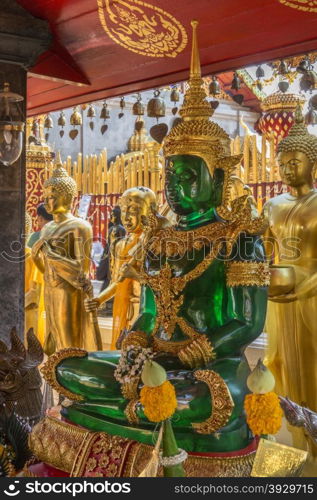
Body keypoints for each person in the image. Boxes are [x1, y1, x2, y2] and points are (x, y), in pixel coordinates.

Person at [42, 22, 268, 466]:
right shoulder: (156, 239)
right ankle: (129, 408)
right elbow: (148, 308)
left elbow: (246, 323)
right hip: (150, 362)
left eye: (188, 178)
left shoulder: (239, 240)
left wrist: (199, 348)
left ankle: (119, 409)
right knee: (64, 367)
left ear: (218, 178)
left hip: (208, 367)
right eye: (170, 178)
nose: (175, 189)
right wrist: (137, 340)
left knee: (193, 398)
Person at [264, 106, 317, 471]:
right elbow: (264, 254)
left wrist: (304, 288)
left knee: (312, 364)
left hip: (311, 297)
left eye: (295, 162)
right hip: (279, 298)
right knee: (279, 364)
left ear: (312, 163)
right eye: (283, 162)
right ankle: (295, 446)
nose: (287, 169)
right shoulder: (272, 205)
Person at [32, 154, 102, 351]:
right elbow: (44, 268)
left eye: (52, 196)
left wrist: (51, 254)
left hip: (68, 291)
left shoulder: (79, 227)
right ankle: (54, 378)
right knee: (52, 341)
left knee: (68, 341)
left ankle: (68, 378)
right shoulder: (47, 228)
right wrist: (37, 256)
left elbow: (81, 269)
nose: (47, 202)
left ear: (67, 196)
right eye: (45, 197)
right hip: (51, 289)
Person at [85, 187, 160, 350]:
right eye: (124, 210)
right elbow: (118, 282)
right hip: (126, 312)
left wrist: (136, 274)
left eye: (133, 210)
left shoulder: (158, 243)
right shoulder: (122, 245)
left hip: (149, 312)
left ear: (150, 211)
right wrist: (99, 299)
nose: (126, 217)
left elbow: (163, 287)